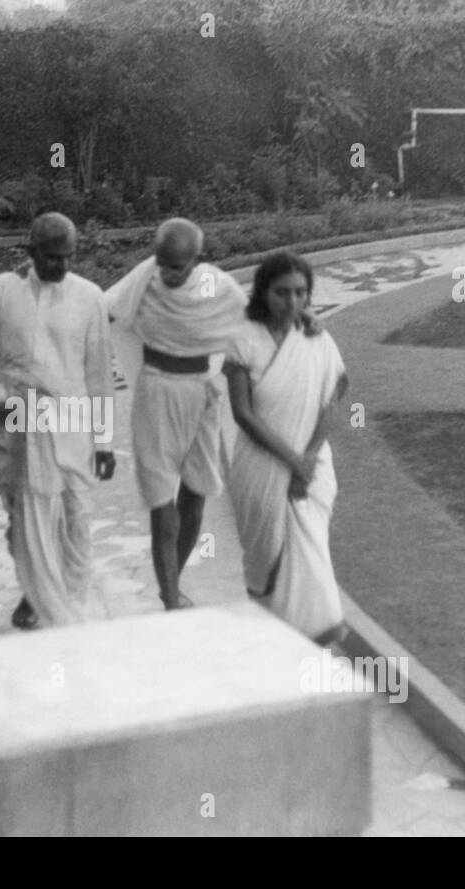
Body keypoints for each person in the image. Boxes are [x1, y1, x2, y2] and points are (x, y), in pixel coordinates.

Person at [102, 218, 316, 610]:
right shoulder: (144, 276)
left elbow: (254, 315)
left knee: (197, 495)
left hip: (203, 393)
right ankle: (170, 596)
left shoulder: (216, 285)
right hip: (158, 392)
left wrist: (301, 317)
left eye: (177, 266)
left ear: (197, 260)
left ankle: (173, 581)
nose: (167, 272)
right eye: (163, 262)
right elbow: (103, 307)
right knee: (161, 500)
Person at [0, 213, 116, 629]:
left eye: (69, 257)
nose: (63, 266)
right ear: (30, 252)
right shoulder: (4, 289)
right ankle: (33, 592)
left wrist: (104, 442)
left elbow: (99, 374)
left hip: (70, 421)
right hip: (14, 415)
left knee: (75, 516)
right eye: (53, 258)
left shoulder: (89, 297)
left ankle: (70, 606)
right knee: (22, 511)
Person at [223, 250, 349, 645]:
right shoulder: (243, 339)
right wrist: (291, 460)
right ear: (263, 292)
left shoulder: (316, 338)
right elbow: (243, 414)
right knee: (264, 560)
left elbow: (333, 398)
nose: (292, 302)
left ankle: (316, 640)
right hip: (260, 468)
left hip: (312, 466)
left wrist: (307, 460)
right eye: (282, 293)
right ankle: (269, 645)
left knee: (311, 553)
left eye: (300, 293)